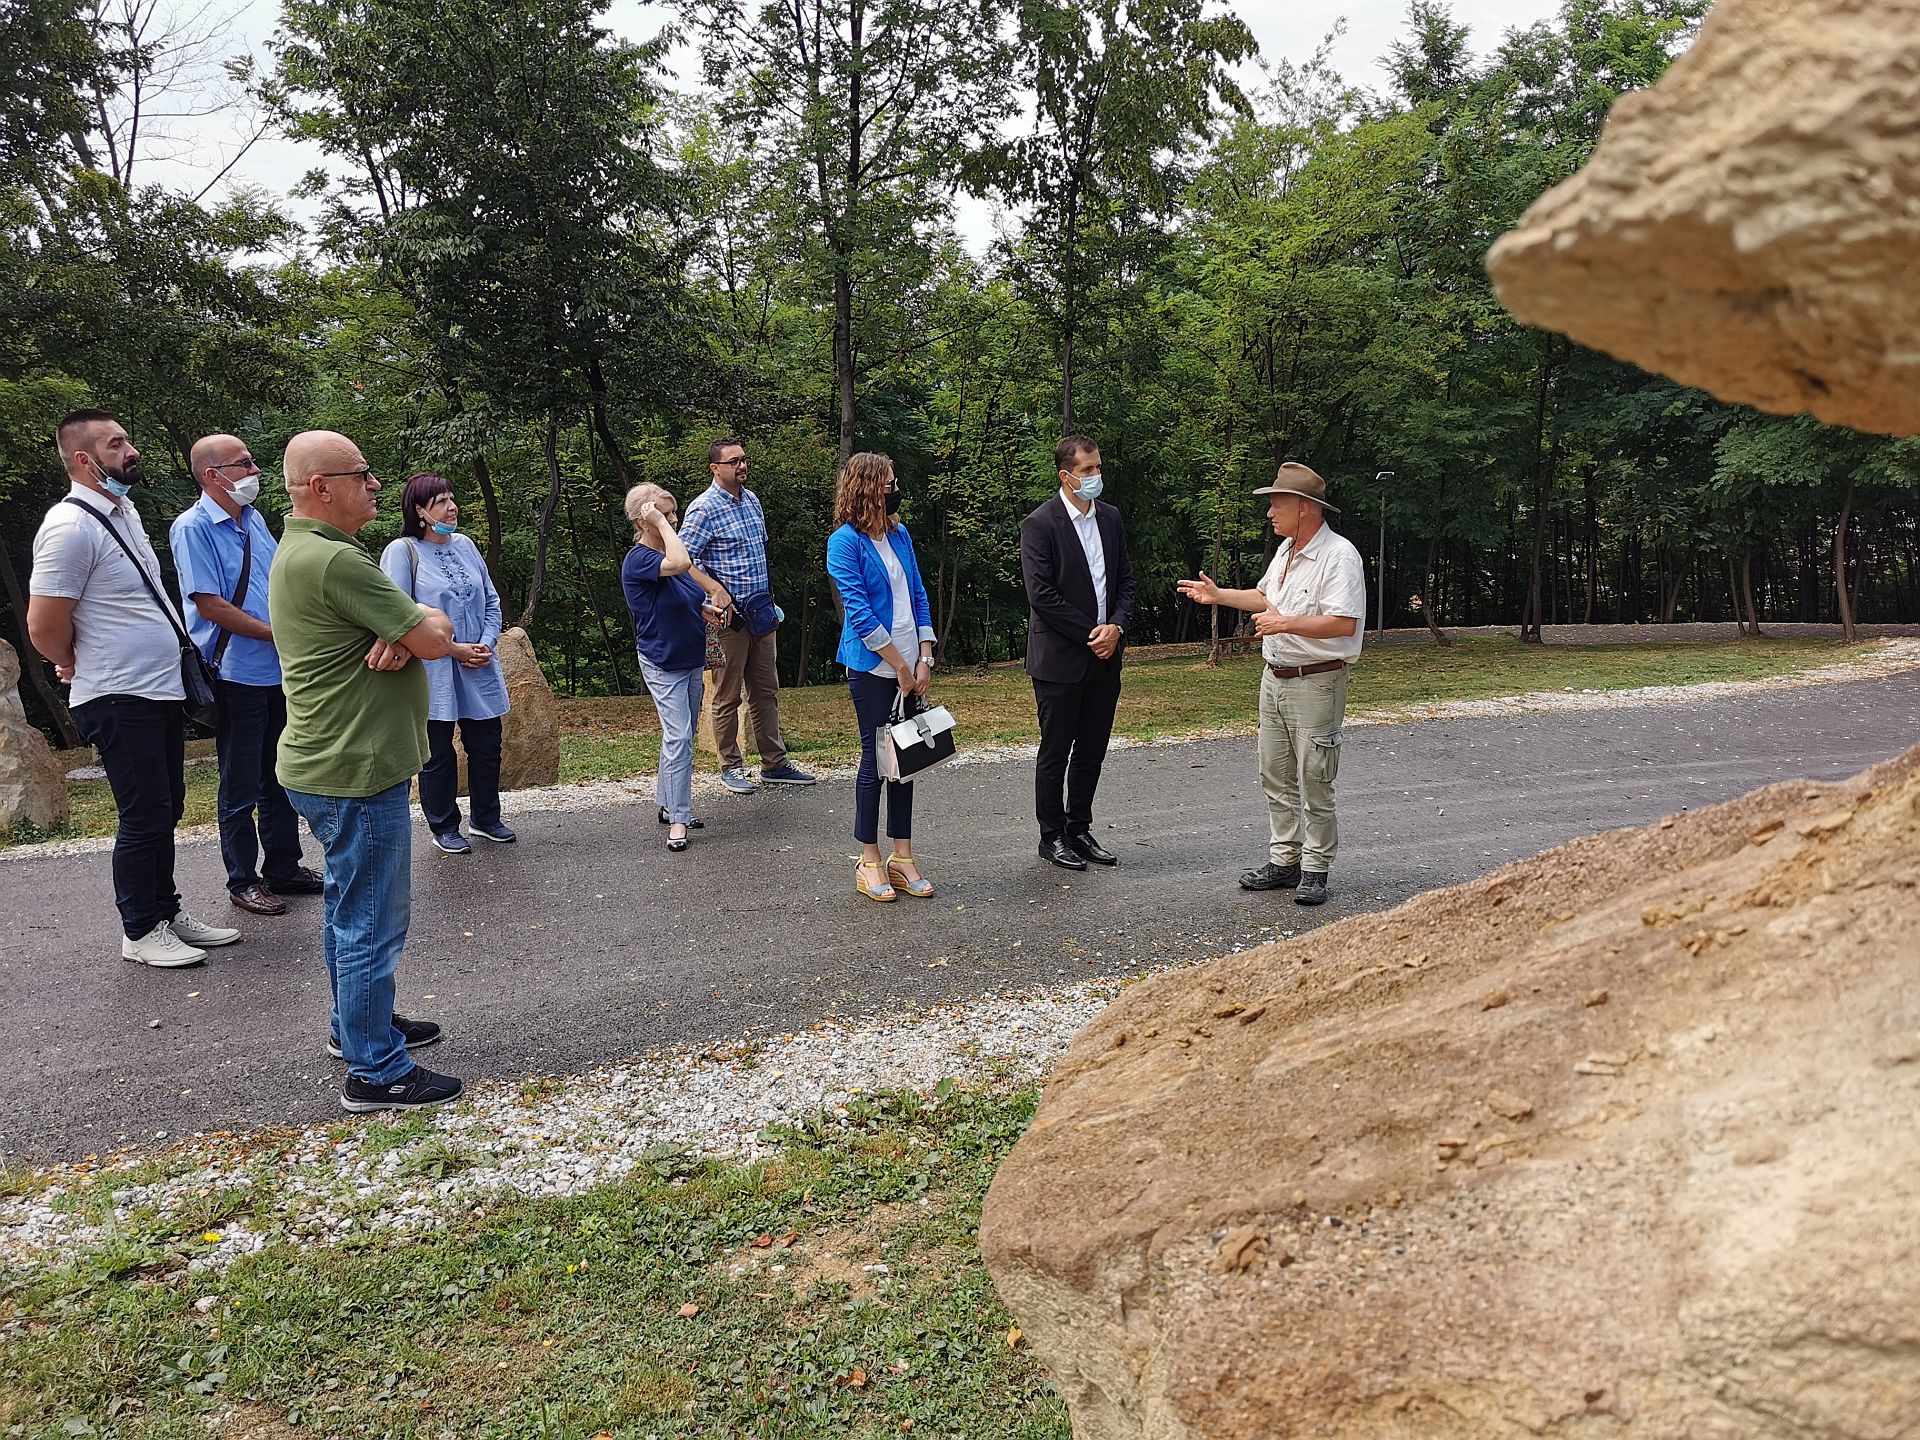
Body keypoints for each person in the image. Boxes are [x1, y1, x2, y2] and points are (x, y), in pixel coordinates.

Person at [271, 429, 463, 1112]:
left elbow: (417, 634)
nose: (377, 485)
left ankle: (354, 1026)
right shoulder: (334, 561)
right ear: (321, 487)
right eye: (362, 474)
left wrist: (406, 631)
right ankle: (376, 1070)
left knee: (347, 908)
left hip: (329, 761)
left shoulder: (307, 550)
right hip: (355, 768)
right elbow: (436, 637)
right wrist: (417, 628)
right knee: (370, 921)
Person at [27, 410, 240, 967]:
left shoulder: (123, 512)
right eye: (116, 444)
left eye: (127, 441)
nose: (131, 451)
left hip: (157, 689)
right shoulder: (69, 526)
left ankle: (165, 912)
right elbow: (43, 624)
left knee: (166, 807)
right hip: (119, 694)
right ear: (84, 459)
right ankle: (140, 930)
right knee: (144, 813)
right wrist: (70, 659)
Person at [1176, 462, 1365, 907]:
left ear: (1304, 507)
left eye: (1277, 504)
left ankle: (1315, 869)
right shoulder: (1286, 550)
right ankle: (1285, 861)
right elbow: (1265, 598)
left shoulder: (1339, 556)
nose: (1269, 513)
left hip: (1316, 682)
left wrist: (1285, 623)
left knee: (1315, 778)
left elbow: (1343, 622)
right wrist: (1219, 596)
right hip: (1274, 678)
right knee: (1275, 776)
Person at [169, 433, 324, 917]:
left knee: (280, 774)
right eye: (244, 463)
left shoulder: (253, 519)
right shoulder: (192, 527)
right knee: (239, 783)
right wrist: (277, 632)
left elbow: (279, 579)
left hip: (278, 670)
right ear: (213, 475)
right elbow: (210, 604)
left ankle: (284, 867)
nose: (255, 470)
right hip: (234, 672)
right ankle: (242, 879)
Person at [379, 474, 514, 855]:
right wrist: (454, 649)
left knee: (487, 744)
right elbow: (398, 615)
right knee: (437, 752)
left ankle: (486, 818)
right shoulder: (403, 551)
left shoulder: (466, 545)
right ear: (419, 511)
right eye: (440, 501)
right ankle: (444, 825)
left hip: (479, 663)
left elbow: (492, 601)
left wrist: (486, 644)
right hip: (433, 668)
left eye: (452, 499)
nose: (452, 507)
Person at [1020, 434, 1136, 872]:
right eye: (1088, 470)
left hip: (1106, 655)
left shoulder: (1110, 518)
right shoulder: (1040, 524)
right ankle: (1051, 836)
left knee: (1092, 749)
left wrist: (1117, 627)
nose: (1096, 476)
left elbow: (1126, 581)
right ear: (1065, 476)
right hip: (1060, 658)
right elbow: (1042, 596)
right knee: (1056, 751)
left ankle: (1079, 827)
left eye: (1098, 467)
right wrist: (1093, 633)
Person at [824, 452, 936, 902]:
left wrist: (925, 656)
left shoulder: (899, 533)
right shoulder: (843, 543)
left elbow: (918, 593)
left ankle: (902, 857)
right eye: (889, 484)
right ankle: (869, 860)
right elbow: (860, 613)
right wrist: (901, 666)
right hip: (873, 668)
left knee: (906, 761)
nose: (895, 490)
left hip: (912, 661)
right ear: (867, 488)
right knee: (876, 761)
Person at [677, 436, 815, 794]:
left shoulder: (752, 500)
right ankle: (731, 766)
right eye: (733, 461)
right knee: (727, 695)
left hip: (761, 614)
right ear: (715, 468)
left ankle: (775, 764)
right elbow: (681, 560)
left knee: (766, 691)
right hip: (727, 620)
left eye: (743, 459)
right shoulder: (703, 509)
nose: (742, 465)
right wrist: (713, 590)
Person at [620, 483, 730, 851]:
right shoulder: (639, 560)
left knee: (678, 736)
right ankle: (679, 819)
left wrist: (704, 610)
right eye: (665, 513)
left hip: (690, 657)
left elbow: (681, 593)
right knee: (680, 737)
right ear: (643, 520)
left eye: (673, 512)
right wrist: (661, 525)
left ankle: (668, 803)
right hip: (662, 660)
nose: (674, 519)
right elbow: (681, 563)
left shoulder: (668, 553)